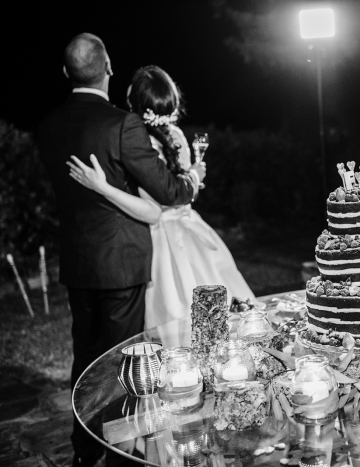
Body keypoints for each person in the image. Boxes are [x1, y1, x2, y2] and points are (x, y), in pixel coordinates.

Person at [38, 34, 205, 467]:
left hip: (77, 262)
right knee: (118, 364)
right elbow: (168, 190)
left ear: (65, 73)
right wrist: (191, 179)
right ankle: (116, 455)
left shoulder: (49, 125)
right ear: (108, 67)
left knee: (85, 358)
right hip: (122, 263)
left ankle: (84, 450)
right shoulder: (121, 125)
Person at [68, 65, 255, 349]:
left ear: (137, 102)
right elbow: (183, 192)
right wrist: (194, 177)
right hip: (190, 225)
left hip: (158, 233)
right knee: (209, 302)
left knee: (172, 309)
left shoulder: (135, 140)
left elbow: (159, 198)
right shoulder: (176, 135)